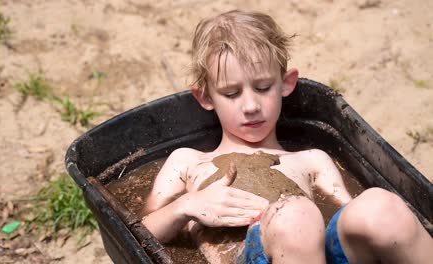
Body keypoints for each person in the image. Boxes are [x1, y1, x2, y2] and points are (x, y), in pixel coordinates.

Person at [141, 10, 433, 264]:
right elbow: (141, 232)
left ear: (286, 84)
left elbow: (348, 213)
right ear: (205, 97)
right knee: (294, 214)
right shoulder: (188, 161)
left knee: (382, 206)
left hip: (317, 249)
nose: (251, 106)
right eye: (231, 94)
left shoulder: (312, 159)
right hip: (249, 255)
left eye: (264, 87)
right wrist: (187, 205)